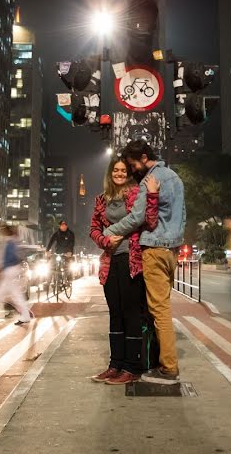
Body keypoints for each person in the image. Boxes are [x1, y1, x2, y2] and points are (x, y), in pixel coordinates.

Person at [102, 140, 186, 385]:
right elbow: (181, 216)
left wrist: (109, 233)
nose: (132, 168)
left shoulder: (151, 181)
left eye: (132, 163)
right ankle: (157, 359)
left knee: (158, 310)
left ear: (143, 157)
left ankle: (168, 367)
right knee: (159, 307)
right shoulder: (175, 178)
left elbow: (139, 217)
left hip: (154, 249)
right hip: (171, 251)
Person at [89, 158, 159, 385]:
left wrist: (152, 195)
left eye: (123, 170)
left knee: (131, 313)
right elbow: (93, 229)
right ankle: (115, 364)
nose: (119, 173)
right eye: (115, 170)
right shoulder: (101, 199)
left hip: (132, 260)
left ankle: (132, 367)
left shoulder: (136, 194)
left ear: (128, 174)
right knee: (115, 313)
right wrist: (104, 239)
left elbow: (149, 220)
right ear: (110, 174)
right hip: (110, 261)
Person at [0, 225, 32, 325]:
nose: (0, 232)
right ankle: (25, 316)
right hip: (10, 271)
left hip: (8, 272)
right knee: (12, 295)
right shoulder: (11, 242)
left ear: (6, 232)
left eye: (2, 230)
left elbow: (10, 258)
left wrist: (1, 268)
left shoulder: (9, 243)